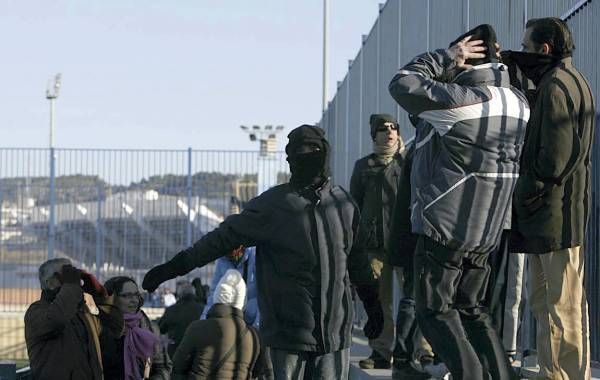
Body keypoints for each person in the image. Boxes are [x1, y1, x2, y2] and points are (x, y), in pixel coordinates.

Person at [142, 124, 383, 379]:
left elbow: (357, 262)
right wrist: (174, 267)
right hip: (287, 336)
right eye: (300, 151)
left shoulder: (343, 205)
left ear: (325, 152)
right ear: (290, 159)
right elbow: (220, 239)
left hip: (335, 334)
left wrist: (373, 305)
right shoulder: (273, 205)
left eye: (314, 149)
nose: (308, 155)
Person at [389, 24, 530, 379]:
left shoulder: (464, 103)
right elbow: (425, 117)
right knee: (471, 308)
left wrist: (448, 56)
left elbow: (403, 83)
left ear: (467, 60)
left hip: (446, 226)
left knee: (434, 310)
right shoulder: (517, 101)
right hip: (488, 227)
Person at [505, 17, 595, 379]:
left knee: (562, 307)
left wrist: (522, 192)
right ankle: (552, 372)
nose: (524, 53)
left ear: (544, 49)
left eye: (526, 47)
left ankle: (568, 375)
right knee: (547, 303)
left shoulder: (557, 87)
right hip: (552, 215)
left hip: (556, 214)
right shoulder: (566, 81)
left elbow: (553, 159)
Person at [350, 113, 403, 370]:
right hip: (373, 244)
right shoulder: (363, 166)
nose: (390, 132)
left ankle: (419, 351)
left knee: (415, 297)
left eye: (394, 127)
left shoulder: (407, 162)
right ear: (374, 135)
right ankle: (381, 351)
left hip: (404, 240)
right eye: (383, 129)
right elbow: (354, 206)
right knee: (379, 301)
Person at [387, 144, 442, 379]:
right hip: (421, 234)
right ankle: (403, 360)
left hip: (416, 232)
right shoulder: (428, 146)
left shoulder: (419, 146)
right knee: (415, 298)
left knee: (416, 298)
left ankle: (406, 359)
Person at [24, 258, 123, 380]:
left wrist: (100, 296)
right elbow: (57, 320)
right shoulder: (36, 311)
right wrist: (71, 286)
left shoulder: (83, 314)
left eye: (73, 274)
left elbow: (115, 331)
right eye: (66, 275)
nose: (74, 279)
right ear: (49, 283)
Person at [172, 269, 262, 379]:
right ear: (242, 301)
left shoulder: (197, 328)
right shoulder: (253, 337)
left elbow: (177, 368)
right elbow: (259, 373)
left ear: (216, 295)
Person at [101, 276, 172, 380]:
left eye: (136, 295)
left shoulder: (149, 328)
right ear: (111, 299)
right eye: (126, 296)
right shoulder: (99, 327)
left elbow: (163, 367)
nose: (134, 300)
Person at [201, 246, 260, 327]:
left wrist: (257, 329)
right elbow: (214, 296)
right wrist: (204, 323)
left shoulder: (256, 256)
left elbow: (265, 298)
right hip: (232, 322)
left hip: (252, 323)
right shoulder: (222, 261)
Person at [159, 281, 205, 357]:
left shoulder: (172, 310)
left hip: (176, 350)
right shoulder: (202, 309)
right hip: (196, 350)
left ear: (179, 295)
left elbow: (161, 328)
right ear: (194, 294)